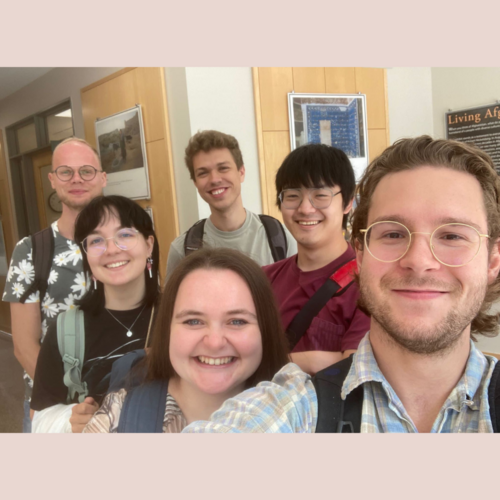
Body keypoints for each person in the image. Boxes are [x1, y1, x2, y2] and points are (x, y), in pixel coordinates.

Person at [184, 135, 500, 433]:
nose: (418, 260)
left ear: (493, 261)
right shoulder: (301, 404)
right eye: (392, 234)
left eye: (452, 236)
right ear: (360, 254)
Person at [83, 247, 290, 433]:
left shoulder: (301, 412)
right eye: (193, 321)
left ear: (265, 329)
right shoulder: (118, 418)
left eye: (236, 321)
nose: (214, 342)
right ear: (168, 330)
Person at [2, 137, 107, 432]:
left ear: (102, 178)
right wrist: (72, 404)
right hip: (54, 406)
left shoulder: (125, 244)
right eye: (65, 171)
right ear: (52, 180)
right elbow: (23, 346)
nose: (77, 179)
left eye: (86, 171)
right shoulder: (31, 250)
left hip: (118, 400)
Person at [30, 195, 160, 433]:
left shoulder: (182, 316)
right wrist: (71, 422)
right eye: (96, 240)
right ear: (86, 253)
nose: (111, 249)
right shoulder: (66, 329)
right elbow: (40, 416)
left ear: (149, 244)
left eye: (125, 235)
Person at [264, 143, 370, 375]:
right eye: (292, 196)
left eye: (320, 195)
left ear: (349, 202)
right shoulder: (263, 280)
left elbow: (357, 369)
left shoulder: (368, 283)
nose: (305, 208)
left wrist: (269, 361)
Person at [165, 130, 297, 279]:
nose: (214, 179)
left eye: (223, 168)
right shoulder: (182, 250)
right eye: (203, 173)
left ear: (241, 172)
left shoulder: (281, 238)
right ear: (195, 182)